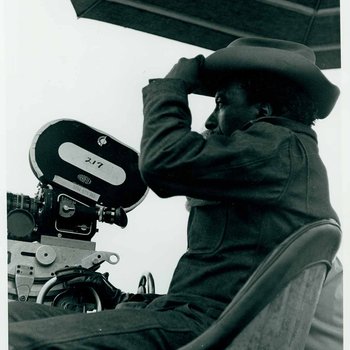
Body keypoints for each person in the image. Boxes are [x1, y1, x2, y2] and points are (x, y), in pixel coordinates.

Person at [8, 38, 342, 349]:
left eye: (222, 104)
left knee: (19, 339)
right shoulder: (290, 159)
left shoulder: (277, 147)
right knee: (11, 318)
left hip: (200, 324)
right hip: (190, 316)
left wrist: (174, 86)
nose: (210, 121)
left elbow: (162, 162)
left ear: (262, 112)